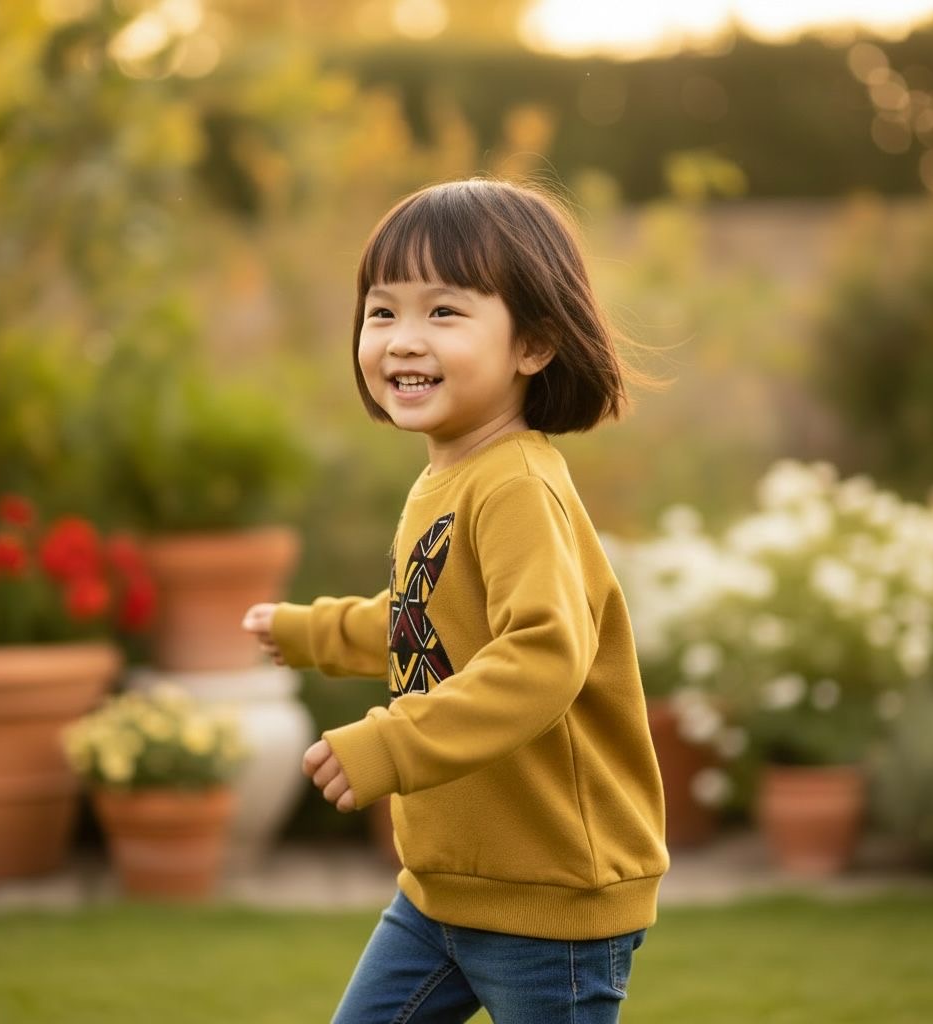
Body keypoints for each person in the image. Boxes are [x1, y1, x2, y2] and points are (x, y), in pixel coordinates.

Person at [242, 177, 668, 1024]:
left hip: (551, 903)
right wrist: (316, 631)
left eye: (443, 313)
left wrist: (393, 745)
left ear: (535, 346)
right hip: (441, 892)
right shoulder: (449, 477)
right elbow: (430, 625)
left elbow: (542, 658)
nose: (403, 340)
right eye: (382, 312)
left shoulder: (514, 485)